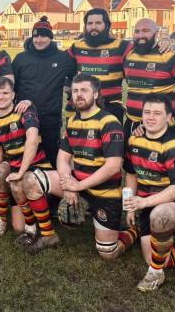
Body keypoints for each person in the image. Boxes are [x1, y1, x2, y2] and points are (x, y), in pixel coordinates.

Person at [22, 74, 139, 259]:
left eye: (84, 90)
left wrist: (78, 186)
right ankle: (48, 235)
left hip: (104, 194)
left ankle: (134, 231)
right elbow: (62, 158)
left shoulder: (109, 122)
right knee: (30, 180)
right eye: (75, 91)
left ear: (96, 94)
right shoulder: (73, 122)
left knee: (109, 253)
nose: (79, 95)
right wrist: (68, 183)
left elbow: (113, 167)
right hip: (78, 185)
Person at [122, 95, 175, 291]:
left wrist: (143, 203)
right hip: (146, 204)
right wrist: (129, 207)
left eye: (157, 113)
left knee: (159, 217)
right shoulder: (134, 139)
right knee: (155, 258)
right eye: (147, 112)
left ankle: (158, 272)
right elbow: (131, 174)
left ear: (169, 117)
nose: (150, 117)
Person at [0, 78, 53, 250]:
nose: (1, 97)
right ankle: (5, 220)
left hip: (38, 165)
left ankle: (44, 229)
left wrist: (21, 171)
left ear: (13, 94)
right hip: (15, 167)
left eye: (5, 93)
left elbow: (32, 140)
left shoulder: (25, 109)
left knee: (18, 180)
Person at [12, 16, 76, 166]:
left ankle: (54, 185)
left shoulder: (63, 58)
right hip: (24, 115)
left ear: (51, 38)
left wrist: (68, 89)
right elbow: (12, 86)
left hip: (50, 116)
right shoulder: (21, 58)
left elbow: (76, 77)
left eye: (44, 36)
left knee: (52, 153)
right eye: (36, 36)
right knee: (24, 153)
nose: (39, 40)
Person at [67, 8, 132, 122]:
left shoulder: (122, 46)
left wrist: (163, 43)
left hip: (111, 107)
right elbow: (62, 67)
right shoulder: (76, 47)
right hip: (83, 106)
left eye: (98, 23)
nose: (93, 27)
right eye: (90, 23)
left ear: (107, 25)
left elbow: (145, 54)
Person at [123, 18, 175, 134]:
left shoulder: (169, 56)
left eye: (146, 31)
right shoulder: (129, 56)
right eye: (137, 31)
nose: (140, 35)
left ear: (156, 33)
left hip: (160, 126)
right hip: (132, 122)